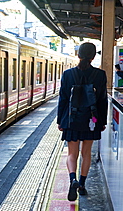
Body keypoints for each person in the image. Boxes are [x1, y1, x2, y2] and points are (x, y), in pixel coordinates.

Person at [57, 42, 108, 201]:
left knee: (72, 153)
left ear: (78, 54)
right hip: (91, 119)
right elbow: (102, 100)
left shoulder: (68, 74)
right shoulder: (100, 75)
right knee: (86, 153)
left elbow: (63, 99)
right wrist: (102, 121)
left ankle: (73, 180)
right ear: (93, 56)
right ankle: (83, 185)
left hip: (72, 119)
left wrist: (60, 120)